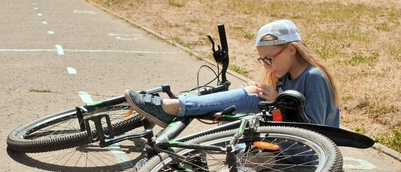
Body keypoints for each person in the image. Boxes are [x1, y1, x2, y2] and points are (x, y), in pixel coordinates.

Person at [124, 19, 340, 129]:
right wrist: (270, 97)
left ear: (291, 49)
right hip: (288, 139)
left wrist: (277, 100)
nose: (267, 66)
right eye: (263, 60)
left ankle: (172, 107)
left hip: (307, 153)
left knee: (251, 98)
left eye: (269, 59)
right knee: (248, 99)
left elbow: (315, 130)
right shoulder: (286, 74)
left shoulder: (314, 77)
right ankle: (177, 107)